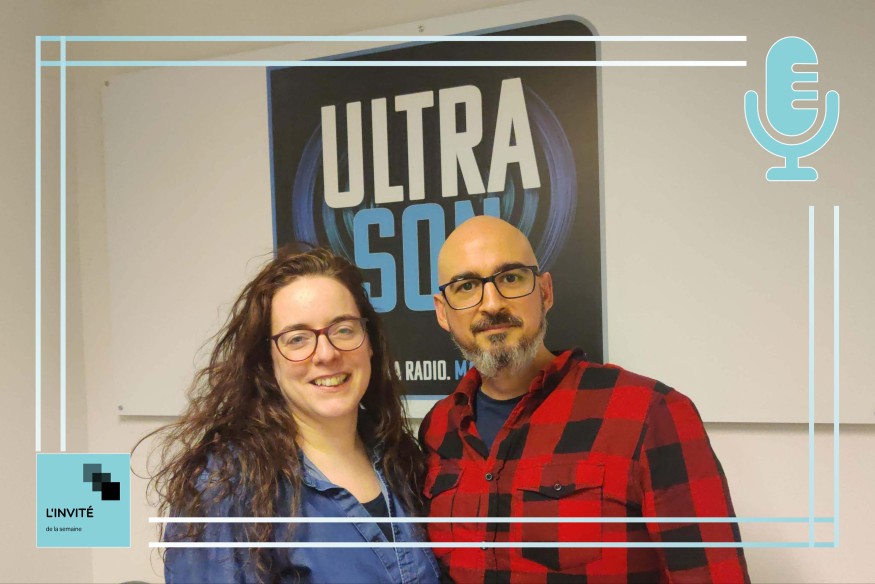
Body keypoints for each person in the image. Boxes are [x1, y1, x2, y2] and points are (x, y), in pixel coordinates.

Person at [419, 216, 750, 583]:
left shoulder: (651, 414)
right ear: (442, 312)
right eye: (466, 286)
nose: (492, 303)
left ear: (545, 292)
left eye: (511, 278)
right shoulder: (438, 427)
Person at [150, 245, 440, 583]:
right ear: (267, 361)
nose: (326, 354)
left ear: (370, 342)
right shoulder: (227, 487)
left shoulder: (401, 460)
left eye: (343, 329)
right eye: (298, 339)